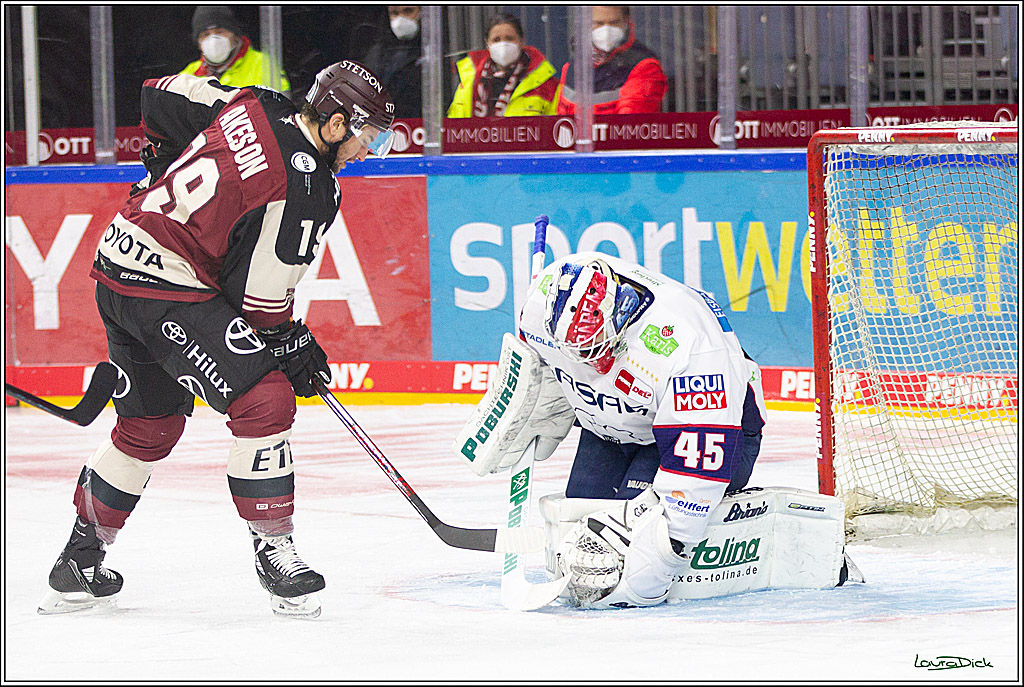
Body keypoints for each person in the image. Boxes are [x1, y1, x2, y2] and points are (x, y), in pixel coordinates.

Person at [38, 60, 396, 618]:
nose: (365, 152)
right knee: (266, 401)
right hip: (165, 288)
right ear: (333, 123)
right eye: (365, 137)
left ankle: (79, 559)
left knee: (148, 426)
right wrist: (291, 347)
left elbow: (158, 92)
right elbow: (260, 305)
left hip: (116, 264)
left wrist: (158, 166)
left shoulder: (255, 102)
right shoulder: (307, 187)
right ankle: (276, 550)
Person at [453, 252, 766, 609]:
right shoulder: (539, 308)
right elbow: (534, 362)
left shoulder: (689, 346)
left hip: (712, 434)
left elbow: (697, 471)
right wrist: (523, 406)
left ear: (619, 316)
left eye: (596, 349)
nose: (590, 363)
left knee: (622, 554)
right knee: (576, 526)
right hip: (611, 425)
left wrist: (664, 555)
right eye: (576, 353)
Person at [558, 5, 668, 115]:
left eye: (614, 23)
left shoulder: (644, 67)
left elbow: (629, 123)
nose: (606, 31)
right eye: (599, 23)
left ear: (625, 21)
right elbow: (561, 119)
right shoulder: (572, 67)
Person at [447, 12, 561, 118]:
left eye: (509, 38)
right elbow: (455, 129)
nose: (503, 45)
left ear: (521, 41)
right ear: (488, 44)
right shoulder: (469, 82)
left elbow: (557, 129)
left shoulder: (545, 84)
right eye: (496, 40)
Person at [181, 5, 292, 98]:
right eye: (205, 34)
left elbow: (281, 107)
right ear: (198, 42)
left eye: (220, 32)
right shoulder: (189, 76)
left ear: (235, 36)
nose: (213, 39)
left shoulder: (263, 64)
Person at [357, 6, 423, 119]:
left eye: (408, 11)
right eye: (394, 13)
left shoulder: (434, 51)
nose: (400, 19)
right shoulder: (377, 54)